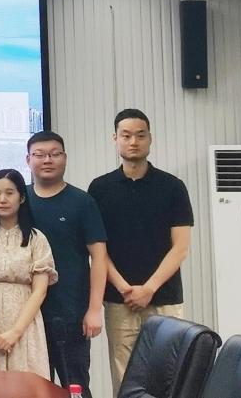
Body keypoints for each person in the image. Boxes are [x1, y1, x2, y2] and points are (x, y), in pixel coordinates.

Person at [87, 109, 194, 391]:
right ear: (115, 139)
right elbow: (98, 250)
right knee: (124, 378)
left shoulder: (172, 187)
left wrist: (149, 289)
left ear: (150, 138)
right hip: (118, 300)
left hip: (165, 297)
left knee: (169, 375)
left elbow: (181, 247)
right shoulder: (100, 188)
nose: (133, 142)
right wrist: (125, 289)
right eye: (126, 135)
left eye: (140, 135)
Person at [26, 131, 107, 397]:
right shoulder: (19, 200)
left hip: (71, 313)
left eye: (54, 154)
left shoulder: (82, 202)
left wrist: (94, 309)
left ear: (65, 158)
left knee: (75, 387)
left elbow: (99, 257)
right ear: (28, 160)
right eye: (39, 155)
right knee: (33, 390)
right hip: (27, 315)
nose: (47, 160)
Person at [0, 169, 57, 379]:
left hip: (25, 326)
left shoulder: (36, 239)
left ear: (22, 197)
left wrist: (15, 332)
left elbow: (40, 291)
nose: (2, 199)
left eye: (9, 193)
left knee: (27, 384)